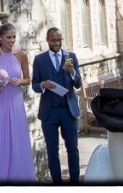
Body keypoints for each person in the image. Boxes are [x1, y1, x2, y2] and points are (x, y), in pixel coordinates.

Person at [0, 22, 35, 184]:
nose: (12, 41)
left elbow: (28, 79)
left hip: (15, 101)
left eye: (14, 37)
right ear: (0, 38)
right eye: (8, 37)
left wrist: (20, 80)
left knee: (16, 136)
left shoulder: (21, 55)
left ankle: (18, 175)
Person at [32, 28, 82, 185]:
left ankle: (74, 182)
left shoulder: (70, 57)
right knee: (52, 150)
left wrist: (72, 71)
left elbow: (78, 84)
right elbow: (34, 84)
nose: (57, 43)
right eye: (54, 40)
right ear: (47, 40)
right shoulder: (39, 60)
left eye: (59, 40)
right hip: (49, 112)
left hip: (68, 111)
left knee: (72, 148)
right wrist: (42, 85)